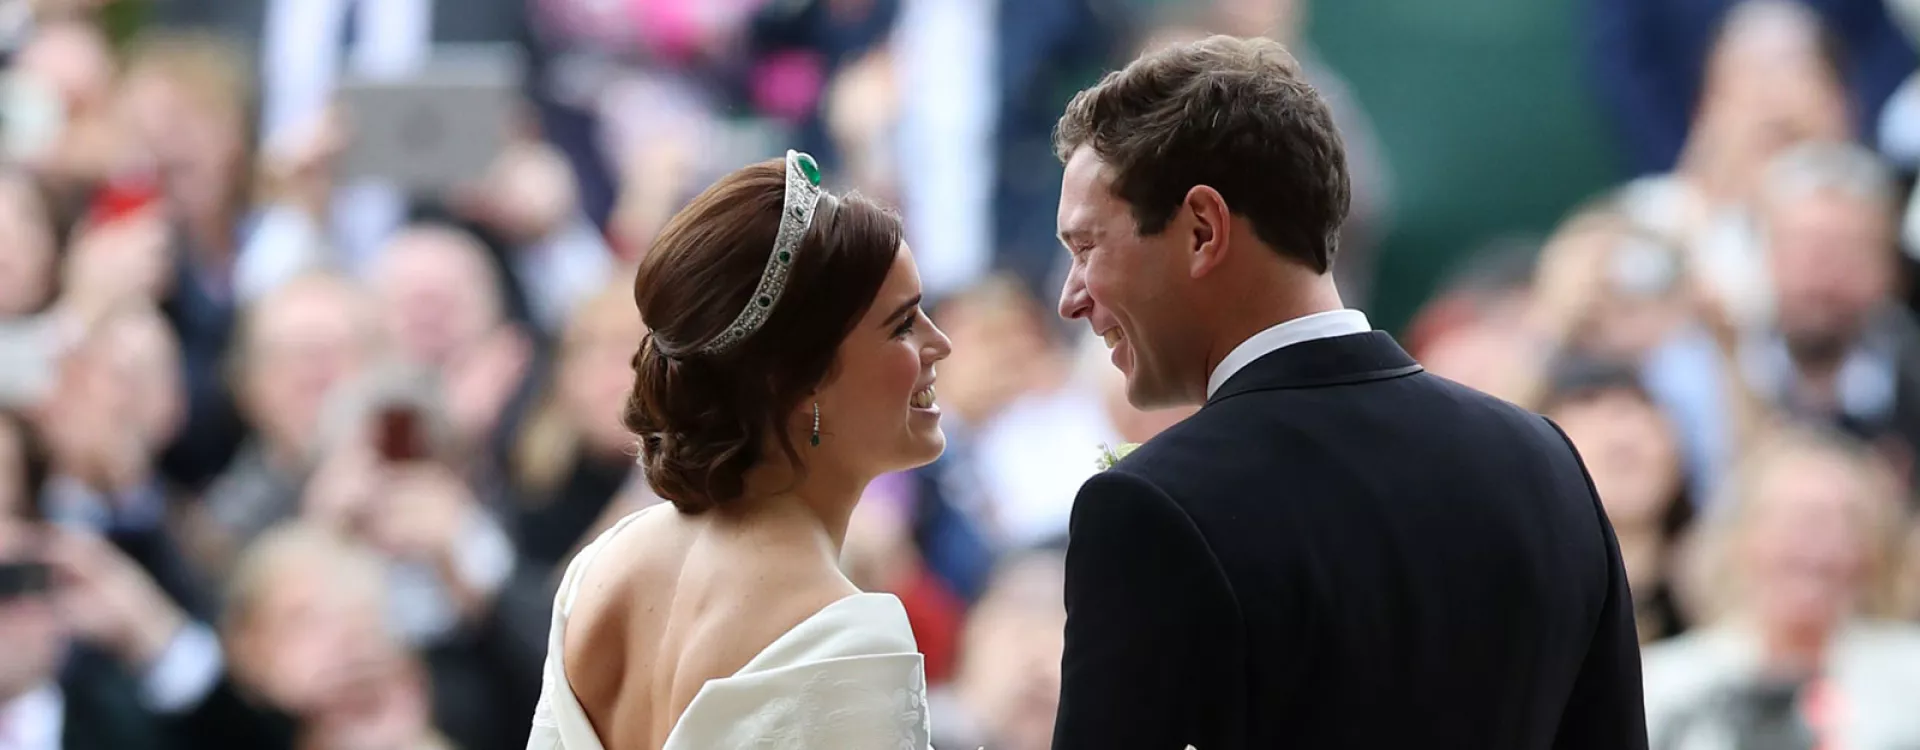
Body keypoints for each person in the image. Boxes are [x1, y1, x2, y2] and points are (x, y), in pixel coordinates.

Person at [1048, 35, 1649, 749]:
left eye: (1087, 248)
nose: (1071, 299)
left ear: (1203, 230)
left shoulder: (1150, 508)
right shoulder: (1547, 463)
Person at [525, 150, 951, 749]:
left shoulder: (603, 568)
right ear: (800, 379)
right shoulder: (846, 637)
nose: (942, 343)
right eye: (903, 325)